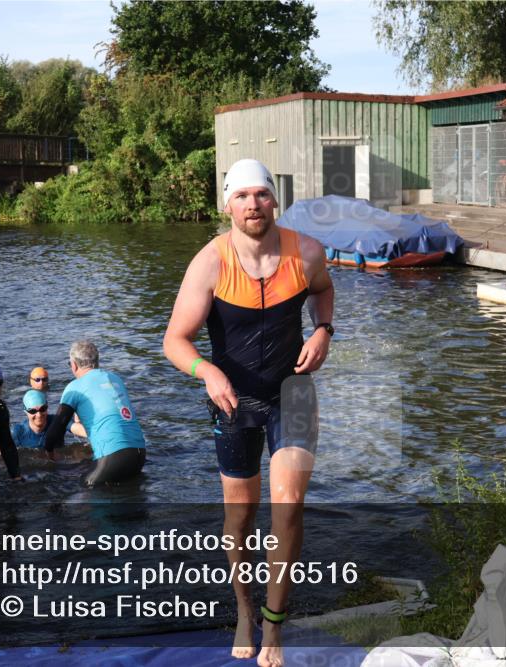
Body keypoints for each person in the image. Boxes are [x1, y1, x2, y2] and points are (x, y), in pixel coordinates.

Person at [163, 158, 334, 666]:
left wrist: (323, 330)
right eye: (242, 197)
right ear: (227, 204)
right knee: (239, 520)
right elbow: (175, 339)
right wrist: (206, 372)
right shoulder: (210, 263)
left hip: (294, 392)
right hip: (233, 400)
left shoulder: (305, 253)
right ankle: (244, 608)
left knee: (288, 505)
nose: (252, 205)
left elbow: (323, 292)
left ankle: (275, 627)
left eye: (261, 194)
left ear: (273, 200)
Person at [44, 340, 146, 486]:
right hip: (140, 454)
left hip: (113, 456)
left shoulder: (74, 387)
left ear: (74, 365)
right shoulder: (115, 378)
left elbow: (55, 431)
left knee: (82, 490)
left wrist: (49, 454)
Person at [11, 389, 86, 449]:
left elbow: (78, 429)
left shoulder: (57, 422)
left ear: (47, 407)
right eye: (33, 411)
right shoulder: (18, 432)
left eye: (42, 409)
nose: (39, 415)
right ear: (26, 411)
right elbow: (1, 449)